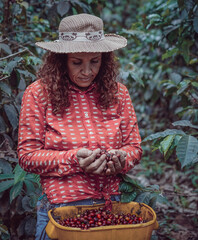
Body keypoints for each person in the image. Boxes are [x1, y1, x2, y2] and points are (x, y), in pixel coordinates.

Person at [17, 13, 142, 240]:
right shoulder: (38, 93)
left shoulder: (119, 93)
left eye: (95, 61)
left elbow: (134, 147)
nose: (87, 71)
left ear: (105, 58)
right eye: (77, 62)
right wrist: (75, 159)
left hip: (112, 207)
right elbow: (27, 156)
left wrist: (121, 159)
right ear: (61, 60)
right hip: (62, 209)